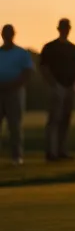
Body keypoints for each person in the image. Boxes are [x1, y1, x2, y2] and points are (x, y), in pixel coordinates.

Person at [39, 18, 75, 162]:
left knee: (65, 119)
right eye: (63, 28)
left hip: (69, 87)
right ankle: (51, 152)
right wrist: (53, 84)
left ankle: (62, 150)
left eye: (67, 28)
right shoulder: (50, 47)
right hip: (56, 87)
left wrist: (74, 85)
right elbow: (44, 67)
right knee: (54, 119)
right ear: (59, 29)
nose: (65, 30)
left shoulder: (73, 48)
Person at [0, 25, 35, 165]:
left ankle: (17, 156)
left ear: (14, 34)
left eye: (10, 33)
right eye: (5, 33)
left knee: (14, 125)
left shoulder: (22, 53)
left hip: (14, 92)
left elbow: (28, 72)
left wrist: (13, 84)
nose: (7, 36)